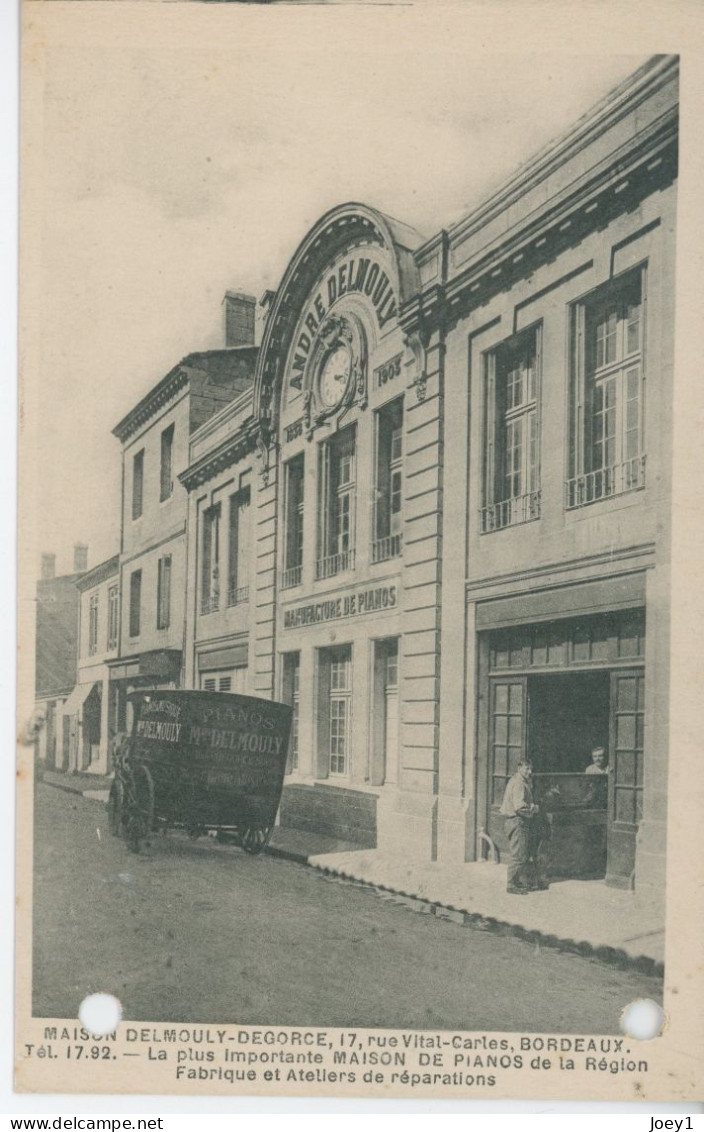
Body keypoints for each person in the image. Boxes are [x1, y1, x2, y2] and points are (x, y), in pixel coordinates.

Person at [500, 759, 549, 894]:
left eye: (531, 769)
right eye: (527, 769)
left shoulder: (517, 780)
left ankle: (517, 882)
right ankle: (511, 885)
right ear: (519, 768)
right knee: (518, 856)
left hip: (515, 821)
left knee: (521, 854)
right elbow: (519, 807)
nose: (530, 772)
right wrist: (534, 809)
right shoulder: (519, 783)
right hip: (517, 822)